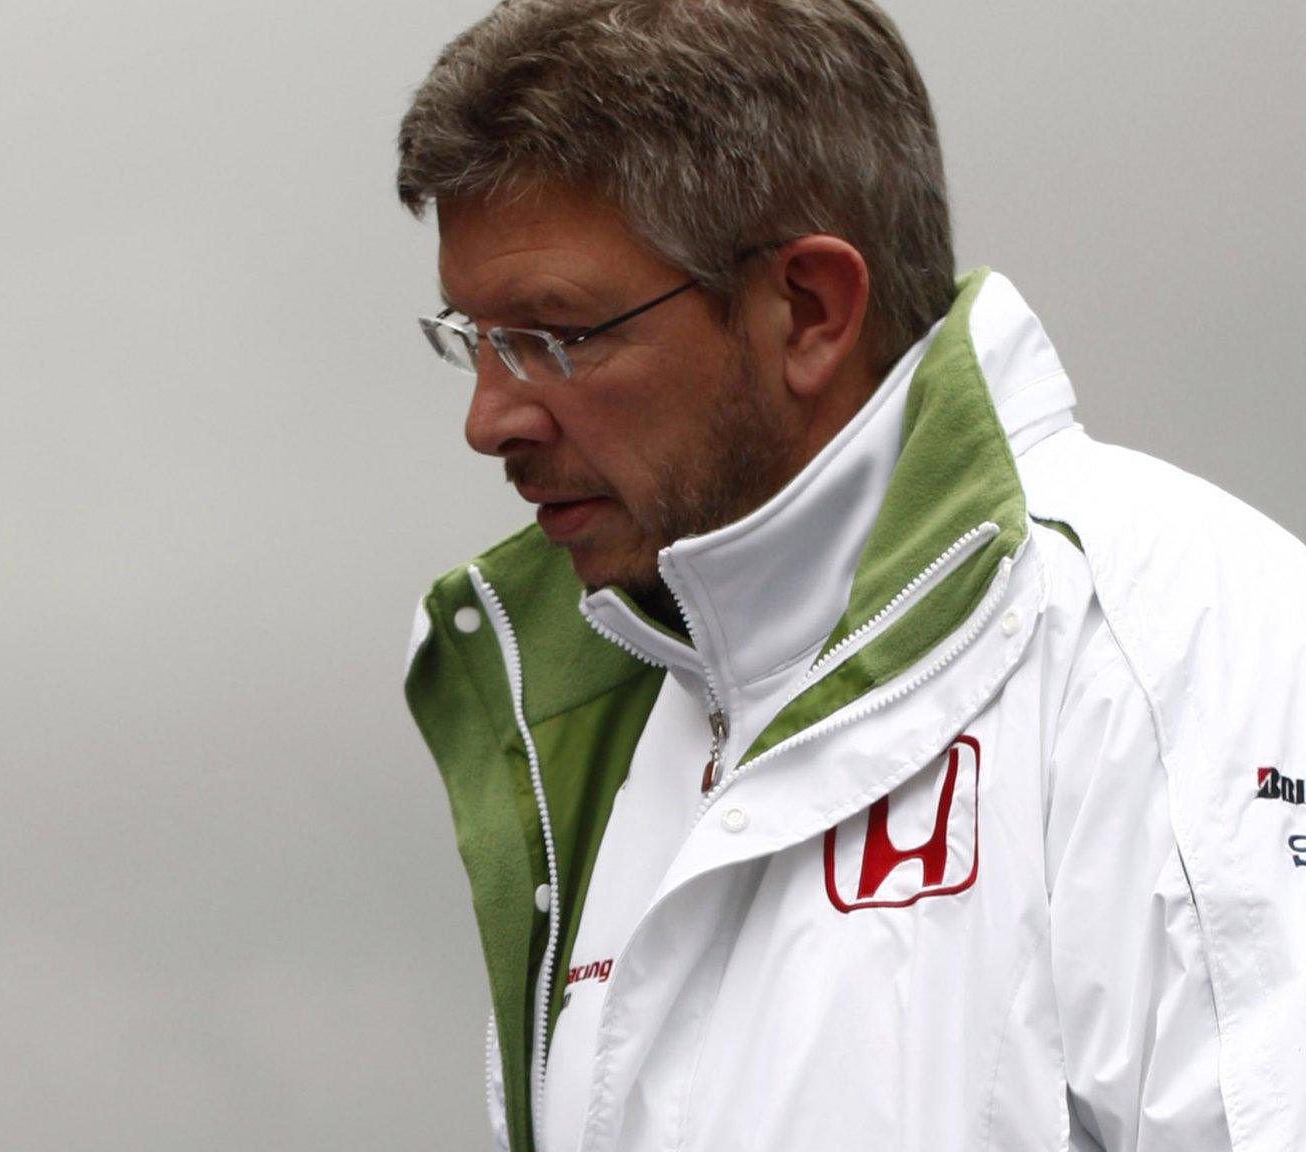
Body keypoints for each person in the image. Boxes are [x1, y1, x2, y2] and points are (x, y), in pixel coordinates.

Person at [395, 3, 1304, 1150]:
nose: (489, 417)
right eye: (468, 337)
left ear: (810, 311)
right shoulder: (606, 701)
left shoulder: (1182, 641)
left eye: (550, 334)